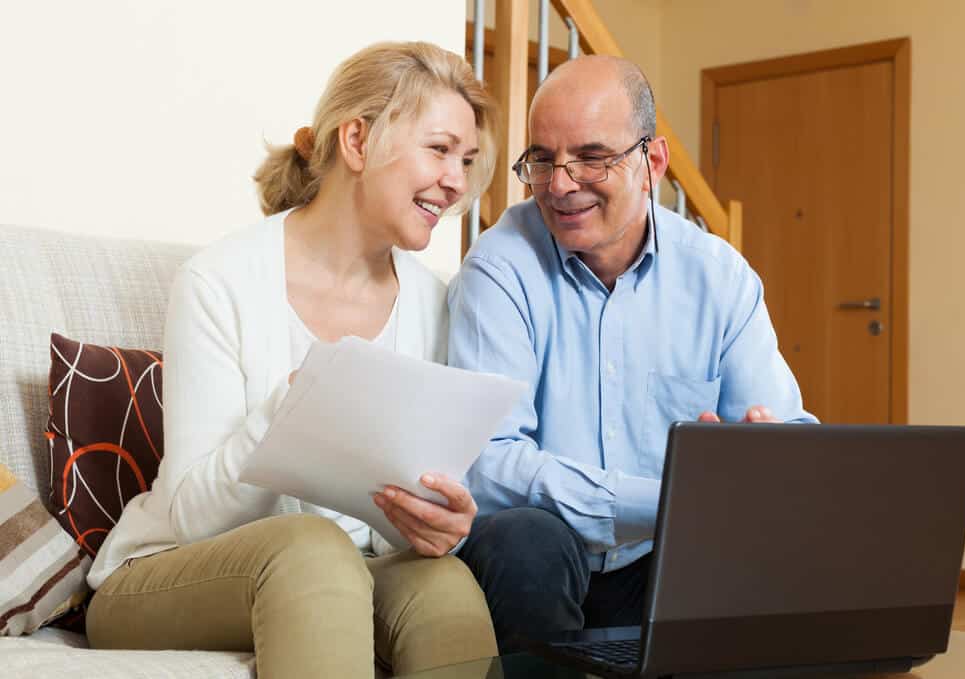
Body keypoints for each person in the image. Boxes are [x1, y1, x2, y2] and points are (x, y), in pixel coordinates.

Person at [85, 41, 499, 678]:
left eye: (466, 160)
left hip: (344, 570)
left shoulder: (436, 304)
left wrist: (436, 523)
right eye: (440, 149)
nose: (456, 180)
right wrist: (294, 407)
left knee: (445, 589)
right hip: (164, 573)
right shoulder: (218, 282)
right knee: (314, 550)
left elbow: (391, 514)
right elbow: (193, 518)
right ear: (357, 141)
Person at [445, 55, 817, 653]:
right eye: (542, 159)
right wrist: (672, 498)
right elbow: (488, 465)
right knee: (528, 542)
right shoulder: (500, 268)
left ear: (653, 163)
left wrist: (773, 454)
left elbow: (788, 437)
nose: (561, 185)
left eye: (592, 157)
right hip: (538, 560)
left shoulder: (718, 277)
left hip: (662, 561)